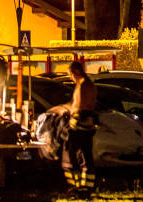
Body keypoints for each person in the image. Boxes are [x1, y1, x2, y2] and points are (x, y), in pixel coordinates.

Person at [49, 61, 98, 193]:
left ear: (76, 72)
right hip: (88, 126)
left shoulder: (83, 86)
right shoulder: (89, 85)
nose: (71, 77)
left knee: (69, 155)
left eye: (70, 74)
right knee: (86, 157)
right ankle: (87, 186)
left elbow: (80, 106)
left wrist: (68, 112)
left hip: (79, 126)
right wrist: (62, 108)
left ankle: (74, 185)